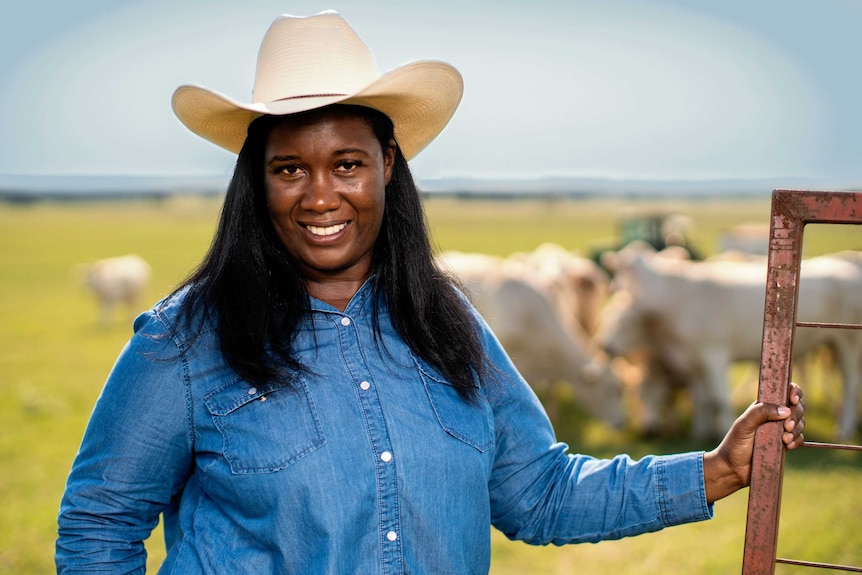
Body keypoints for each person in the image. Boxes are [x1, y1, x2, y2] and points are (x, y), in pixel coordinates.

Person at [55, 10, 805, 574]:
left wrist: (715, 468)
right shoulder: (188, 339)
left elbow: (538, 491)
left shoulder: (448, 323)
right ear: (258, 181)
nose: (320, 196)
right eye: (290, 169)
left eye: (346, 164)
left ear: (387, 164)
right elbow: (97, 525)